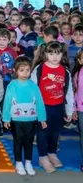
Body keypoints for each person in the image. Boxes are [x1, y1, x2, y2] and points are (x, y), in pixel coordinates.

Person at [31, 41, 73, 173]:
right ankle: (43, 157)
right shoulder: (40, 69)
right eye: (51, 53)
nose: (54, 57)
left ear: (62, 55)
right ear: (46, 54)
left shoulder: (65, 71)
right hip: (43, 107)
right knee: (43, 133)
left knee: (55, 132)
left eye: (57, 53)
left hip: (58, 107)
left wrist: (70, 110)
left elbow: (69, 91)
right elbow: (33, 90)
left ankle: (52, 153)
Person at [2, 56, 47, 176]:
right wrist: (6, 118)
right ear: (16, 71)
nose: (25, 73)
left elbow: (39, 101)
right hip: (16, 120)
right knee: (18, 141)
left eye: (27, 70)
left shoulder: (33, 85)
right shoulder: (12, 85)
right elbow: (7, 102)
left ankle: (28, 162)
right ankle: (18, 162)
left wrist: (42, 117)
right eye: (22, 70)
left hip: (31, 119)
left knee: (29, 141)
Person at [72, 49, 83, 172]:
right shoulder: (77, 74)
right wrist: (74, 109)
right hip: (81, 110)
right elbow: (74, 93)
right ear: (80, 60)